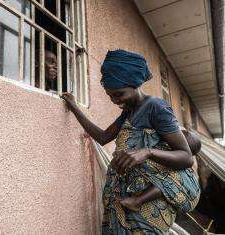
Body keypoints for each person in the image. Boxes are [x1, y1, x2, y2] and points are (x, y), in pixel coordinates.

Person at [61, 49, 200, 234]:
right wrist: (74, 107)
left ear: (134, 84)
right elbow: (103, 137)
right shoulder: (129, 111)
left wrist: (147, 152)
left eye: (119, 94)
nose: (114, 100)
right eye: (110, 96)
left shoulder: (156, 108)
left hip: (146, 206)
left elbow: (186, 157)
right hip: (122, 196)